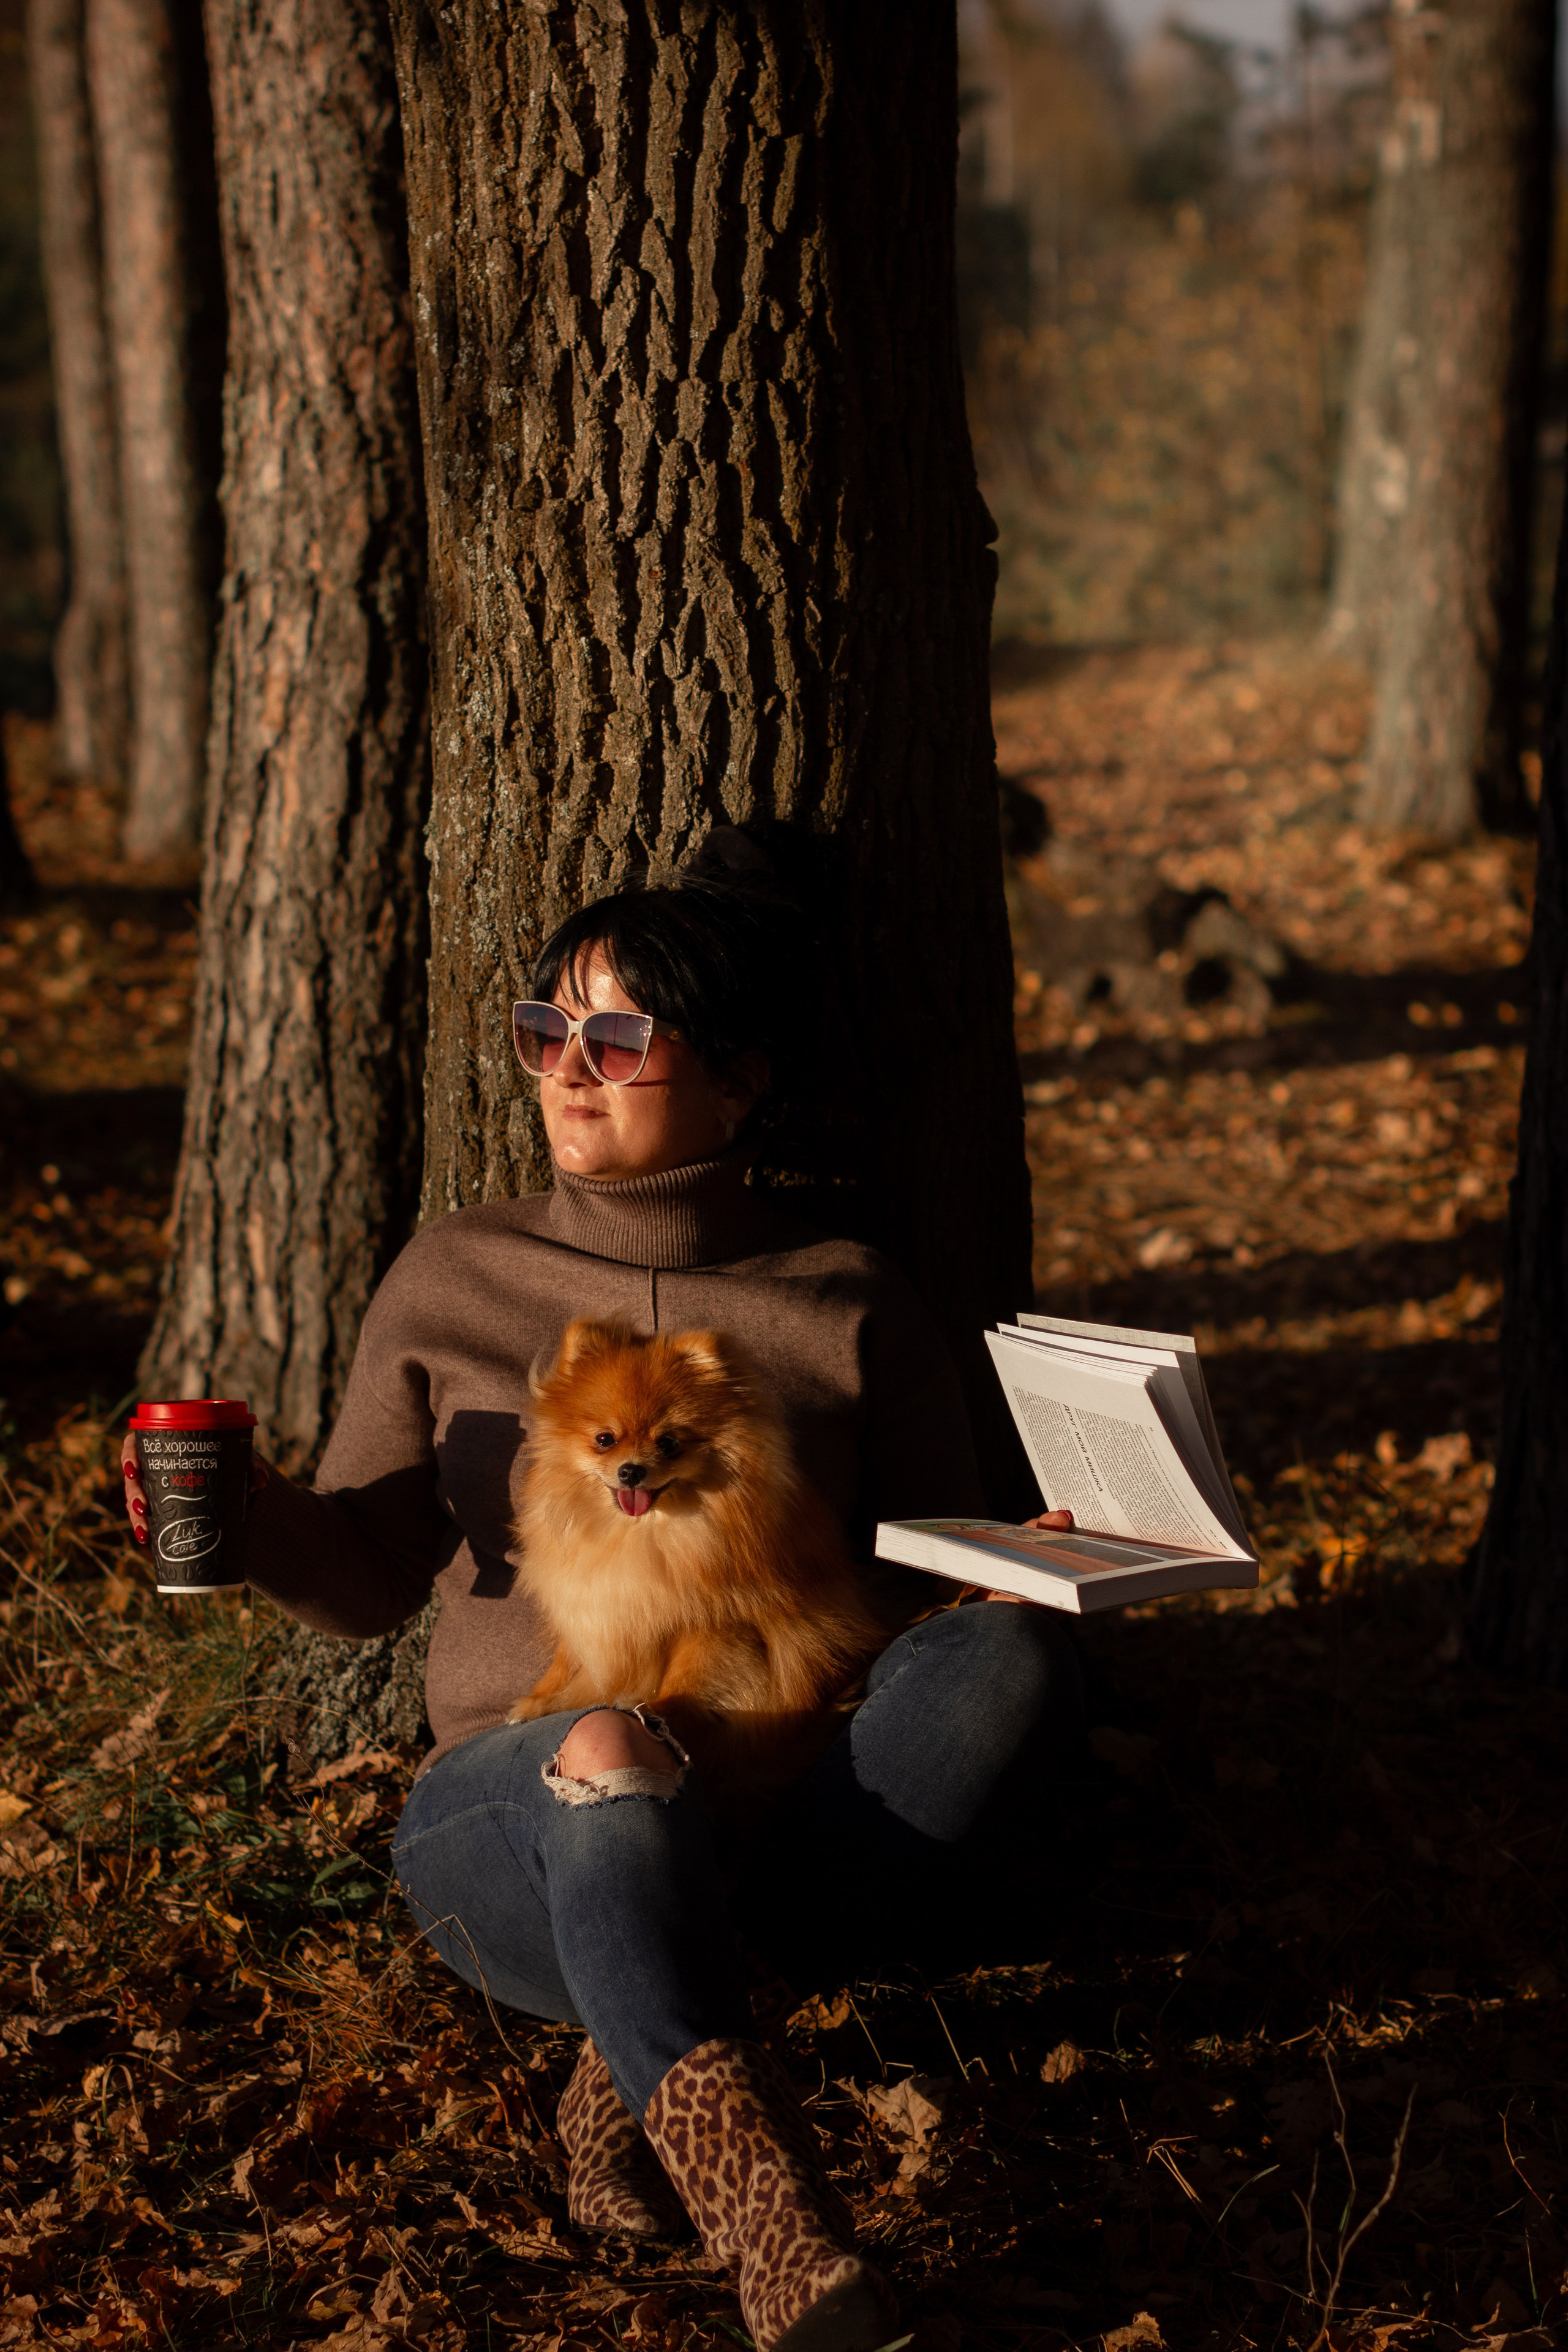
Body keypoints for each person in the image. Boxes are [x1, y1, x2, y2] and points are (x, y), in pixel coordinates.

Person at [120, 840, 1082, 2352]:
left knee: (1010, 1655)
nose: (569, 1072)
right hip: (517, 1815)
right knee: (612, 1750)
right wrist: (242, 1528)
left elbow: (917, 1576)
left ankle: (646, 2031)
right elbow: (372, 1576)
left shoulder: (844, 1296)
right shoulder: (454, 1273)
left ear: (740, 1081)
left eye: (621, 1040)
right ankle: (768, 2222)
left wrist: (1044, 1558)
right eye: (544, 1032)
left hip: (786, 1799)